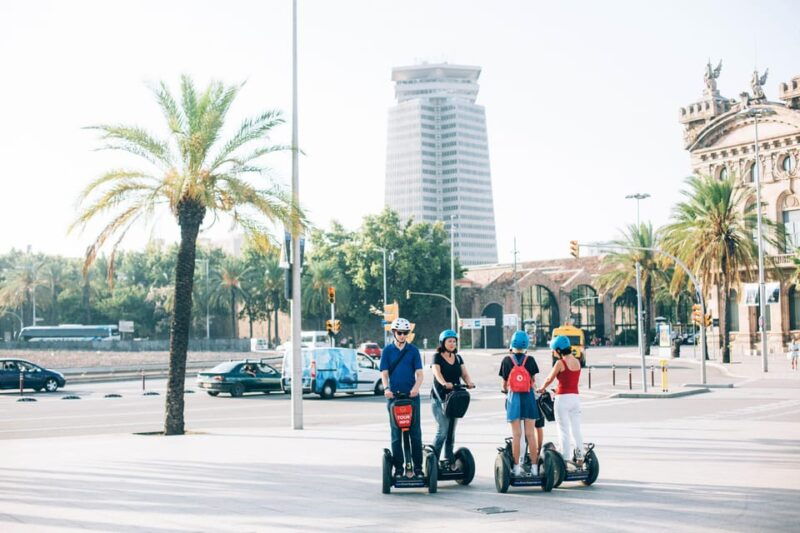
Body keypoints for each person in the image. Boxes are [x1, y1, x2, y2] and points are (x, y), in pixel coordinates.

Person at [379, 317, 424, 478]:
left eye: (406, 332)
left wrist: (415, 389)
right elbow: (384, 373)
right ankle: (398, 469)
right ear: (394, 333)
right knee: (396, 435)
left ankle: (418, 468)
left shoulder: (413, 350)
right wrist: (386, 389)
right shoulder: (387, 351)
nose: (403, 335)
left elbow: (419, 374)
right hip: (394, 398)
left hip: (411, 397)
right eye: (400, 332)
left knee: (415, 434)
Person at [430, 329, 475, 470]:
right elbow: (436, 372)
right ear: (442, 343)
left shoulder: (458, 358)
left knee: (451, 433)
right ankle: (433, 462)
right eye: (449, 341)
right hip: (439, 398)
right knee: (442, 431)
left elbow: (464, 374)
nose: (452, 343)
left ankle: (449, 461)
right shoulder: (436, 357)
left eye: (454, 341)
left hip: (453, 399)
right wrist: (444, 383)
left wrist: (469, 382)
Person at [499, 330, 541, 476]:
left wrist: (505, 390)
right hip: (528, 398)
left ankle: (516, 468)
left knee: (516, 435)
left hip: (514, 399)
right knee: (530, 434)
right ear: (526, 345)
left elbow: (504, 384)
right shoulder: (530, 360)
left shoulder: (506, 360)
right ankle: (535, 469)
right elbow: (533, 382)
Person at [538, 335, 584, 465]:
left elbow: (549, 379)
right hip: (575, 399)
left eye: (554, 350)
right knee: (576, 428)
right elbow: (569, 381)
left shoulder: (560, 363)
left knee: (563, 429)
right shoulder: (577, 361)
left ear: (558, 350)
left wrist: (542, 388)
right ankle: (580, 456)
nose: (553, 352)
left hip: (562, 399)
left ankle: (565, 458)